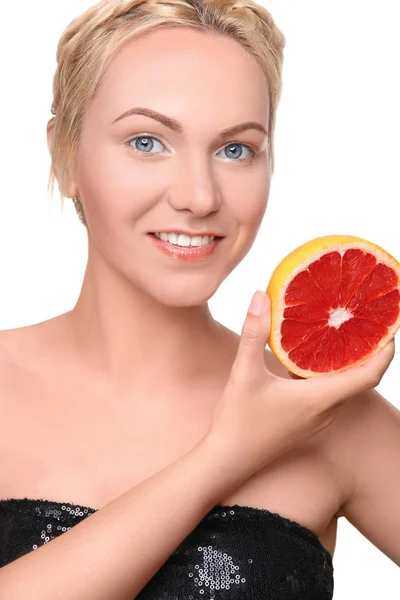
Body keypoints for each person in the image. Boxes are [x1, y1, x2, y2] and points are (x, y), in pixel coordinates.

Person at [0, 0, 398, 597]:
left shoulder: (330, 416)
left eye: (236, 149)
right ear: (65, 154)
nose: (199, 196)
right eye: (146, 141)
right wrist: (229, 455)